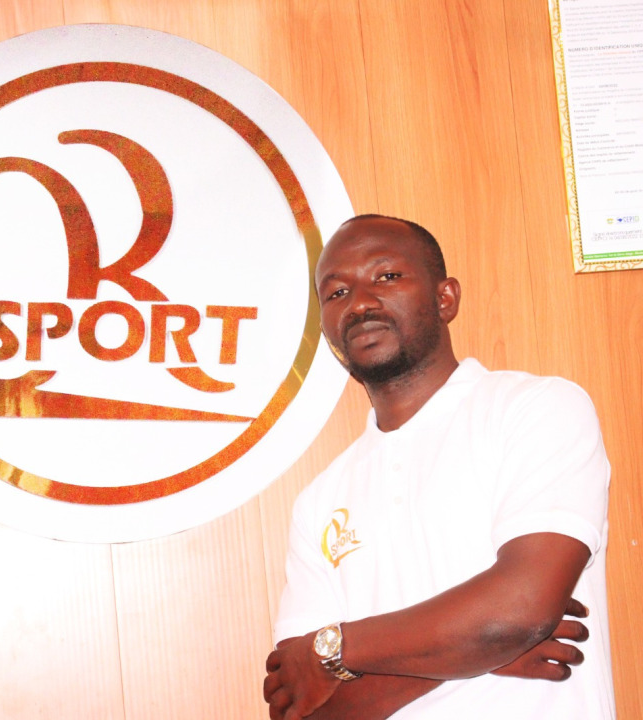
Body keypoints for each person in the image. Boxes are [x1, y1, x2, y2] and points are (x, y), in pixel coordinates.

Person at [263, 215, 615, 719]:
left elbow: (520, 610)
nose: (359, 303)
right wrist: (484, 651)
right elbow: (301, 707)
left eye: (387, 276)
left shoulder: (537, 409)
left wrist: (334, 647)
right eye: (337, 292)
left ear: (445, 298)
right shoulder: (318, 502)